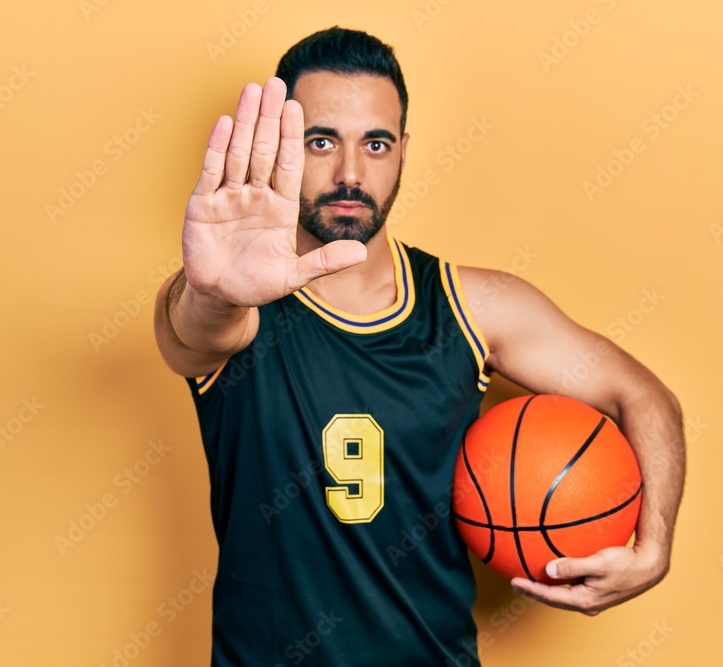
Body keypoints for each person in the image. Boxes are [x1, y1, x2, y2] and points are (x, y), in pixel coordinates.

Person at [153, 26, 685, 666]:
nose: (350, 173)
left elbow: (644, 396)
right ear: (281, 149)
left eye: (375, 144)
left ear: (403, 151)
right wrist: (214, 293)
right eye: (321, 141)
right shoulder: (232, 300)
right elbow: (191, 335)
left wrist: (652, 549)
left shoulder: (472, 309)